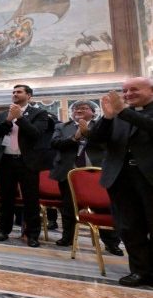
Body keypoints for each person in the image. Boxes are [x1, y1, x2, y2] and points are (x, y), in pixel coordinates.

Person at [90, 77, 153, 287]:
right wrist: (107, 119)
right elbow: (94, 140)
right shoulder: (117, 114)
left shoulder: (126, 112)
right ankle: (140, 271)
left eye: (134, 90)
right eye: (124, 91)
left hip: (149, 176)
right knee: (129, 226)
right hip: (121, 177)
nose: (127, 95)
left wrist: (123, 112)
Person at [50, 101, 122, 255]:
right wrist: (74, 138)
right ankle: (67, 238)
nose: (79, 110)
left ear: (93, 112)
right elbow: (55, 143)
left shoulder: (102, 125)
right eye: (76, 108)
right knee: (68, 207)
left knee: (103, 207)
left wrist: (88, 133)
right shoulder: (62, 126)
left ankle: (111, 243)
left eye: (84, 108)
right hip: (69, 172)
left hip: (96, 172)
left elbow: (108, 144)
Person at [0, 84, 49, 248]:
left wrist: (20, 118)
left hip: (27, 162)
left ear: (29, 96)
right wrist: (9, 119)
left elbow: (36, 134)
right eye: (13, 92)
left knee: (31, 199)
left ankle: (32, 234)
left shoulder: (39, 113)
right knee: (6, 198)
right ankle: (4, 230)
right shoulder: (4, 114)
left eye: (19, 92)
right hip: (6, 161)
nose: (15, 94)